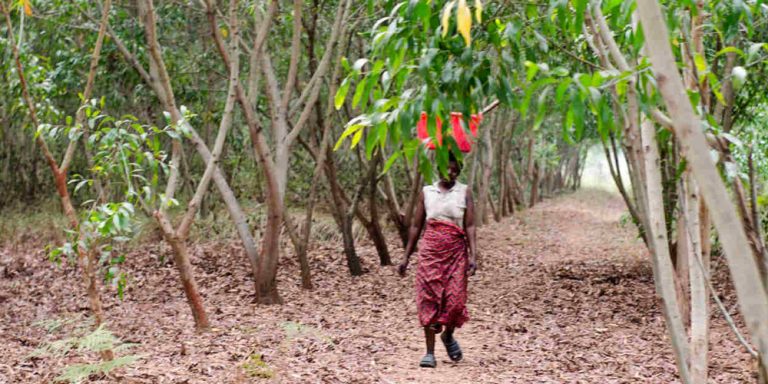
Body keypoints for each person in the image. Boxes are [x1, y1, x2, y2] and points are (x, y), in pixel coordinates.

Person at [398, 153, 478, 368]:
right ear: (438, 168)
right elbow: (416, 226)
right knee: (429, 299)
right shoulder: (427, 192)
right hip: (430, 252)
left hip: (456, 252)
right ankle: (429, 353)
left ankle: (448, 335)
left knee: (456, 301)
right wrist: (406, 256)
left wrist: (473, 255)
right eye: (447, 169)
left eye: (455, 170)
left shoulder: (464, 192)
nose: (450, 173)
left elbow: (469, 225)